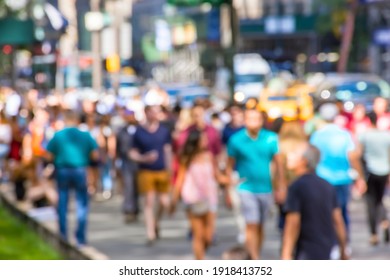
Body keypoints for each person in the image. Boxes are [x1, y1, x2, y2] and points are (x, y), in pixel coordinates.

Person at [226, 108, 287, 260]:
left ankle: (254, 255)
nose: (253, 122)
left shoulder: (271, 138)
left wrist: (281, 186)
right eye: (250, 119)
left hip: (266, 188)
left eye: (256, 119)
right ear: (245, 121)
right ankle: (254, 260)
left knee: (260, 225)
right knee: (251, 224)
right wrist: (229, 187)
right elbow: (229, 165)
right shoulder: (236, 140)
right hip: (246, 187)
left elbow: (279, 164)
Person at [310, 103, 366, 248]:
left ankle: (331, 243)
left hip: (323, 179)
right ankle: (343, 244)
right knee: (341, 212)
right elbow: (352, 157)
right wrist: (360, 178)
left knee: (325, 213)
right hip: (341, 180)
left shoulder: (317, 135)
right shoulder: (344, 134)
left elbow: (312, 158)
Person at [281, 144, 348, 260]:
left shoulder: (296, 187)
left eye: (294, 154)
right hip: (326, 250)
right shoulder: (327, 186)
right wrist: (343, 250)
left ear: (303, 161)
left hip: (304, 251)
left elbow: (293, 222)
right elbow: (338, 220)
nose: (289, 156)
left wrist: (286, 253)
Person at [45, 110, 99, 246]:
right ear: (77, 120)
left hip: (63, 170)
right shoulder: (86, 135)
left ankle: (63, 235)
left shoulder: (58, 135)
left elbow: (48, 155)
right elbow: (95, 156)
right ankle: (80, 238)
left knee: (62, 203)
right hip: (80, 170)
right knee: (81, 204)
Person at [171, 129, 219, 260]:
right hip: (193, 198)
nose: (206, 141)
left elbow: (217, 176)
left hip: (210, 198)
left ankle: (200, 255)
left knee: (209, 236)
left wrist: (231, 181)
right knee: (198, 234)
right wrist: (174, 200)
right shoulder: (186, 158)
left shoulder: (209, 156)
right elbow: (180, 179)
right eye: (203, 139)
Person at [129, 105, 172, 244]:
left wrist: (170, 168)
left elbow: (168, 150)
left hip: (162, 170)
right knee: (148, 201)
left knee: (164, 202)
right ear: (147, 113)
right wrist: (143, 158)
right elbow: (132, 152)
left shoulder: (164, 131)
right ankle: (150, 233)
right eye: (153, 112)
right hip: (145, 170)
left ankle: (156, 222)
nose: (156, 114)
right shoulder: (139, 131)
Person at [358, 113, 390, 245]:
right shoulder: (385, 135)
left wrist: (359, 176)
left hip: (370, 172)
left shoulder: (364, 135)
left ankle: (374, 234)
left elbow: (358, 154)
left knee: (371, 203)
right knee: (380, 199)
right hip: (384, 171)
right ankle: (384, 222)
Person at [221, 104, 245, 244]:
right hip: (234, 169)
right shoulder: (227, 130)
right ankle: (243, 229)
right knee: (237, 203)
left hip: (247, 171)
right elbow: (224, 150)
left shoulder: (247, 130)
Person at [116, 109, 139, 223]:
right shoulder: (121, 131)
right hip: (126, 162)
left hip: (139, 162)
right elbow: (117, 148)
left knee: (137, 187)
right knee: (128, 186)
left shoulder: (140, 129)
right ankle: (129, 210)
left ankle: (136, 209)